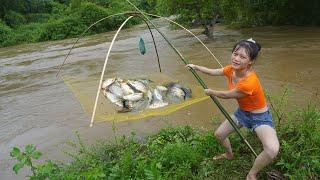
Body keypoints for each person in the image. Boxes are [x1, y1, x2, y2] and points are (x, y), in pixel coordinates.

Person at [187, 38, 279, 180]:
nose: (236, 58)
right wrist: (196, 67)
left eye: (242, 57)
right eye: (235, 54)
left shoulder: (250, 82)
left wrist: (211, 92)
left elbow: (227, 95)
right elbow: (213, 72)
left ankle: (252, 173)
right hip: (242, 113)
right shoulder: (231, 70)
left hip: (260, 117)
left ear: (250, 62)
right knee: (219, 135)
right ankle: (229, 154)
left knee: (272, 149)